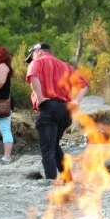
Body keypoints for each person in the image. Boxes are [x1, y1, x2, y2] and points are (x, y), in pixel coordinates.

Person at [25, 42, 89, 182]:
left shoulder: (38, 61)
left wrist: (40, 97)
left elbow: (32, 76)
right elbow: (84, 85)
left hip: (49, 108)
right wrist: (76, 102)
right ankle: (68, 179)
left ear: (38, 51)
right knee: (53, 145)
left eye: (31, 57)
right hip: (66, 111)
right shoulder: (65, 65)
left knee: (48, 149)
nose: (31, 60)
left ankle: (50, 182)